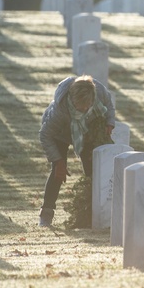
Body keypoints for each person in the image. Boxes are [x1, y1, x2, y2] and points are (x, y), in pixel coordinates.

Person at [37, 75, 115, 226]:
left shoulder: (100, 92)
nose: (85, 109)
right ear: (73, 100)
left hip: (87, 130)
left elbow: (109, 105)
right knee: (57, 173)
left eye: (88, 105)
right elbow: (45, 135)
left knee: (92, 170)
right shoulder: (59, 111)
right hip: (60, 134)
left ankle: (91, 211)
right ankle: (46, 213)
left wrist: (109, 122)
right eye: (81, 106)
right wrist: (58, 160)